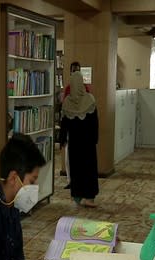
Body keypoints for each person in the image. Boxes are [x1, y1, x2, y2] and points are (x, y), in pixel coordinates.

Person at [59, 70, 100, 208]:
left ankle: (77, 196)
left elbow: (64, 124)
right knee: (88, 169)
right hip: (88, 143)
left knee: (76, 169)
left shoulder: (67, 103)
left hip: (75, 144)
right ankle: (89, 197)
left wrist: (63, 140)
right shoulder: (90, 99)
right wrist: (95, 139)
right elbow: (95, 123)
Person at [60, 61, 92, 187]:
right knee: (69, 156)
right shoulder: (68, 88)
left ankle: (79, 179)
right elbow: (65, 109)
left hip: (82, 127)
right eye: (73, 70)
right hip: (71, 127)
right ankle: (70, 180)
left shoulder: (85, 89)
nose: (75, 73)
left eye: (77, 70)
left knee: (81, 156)